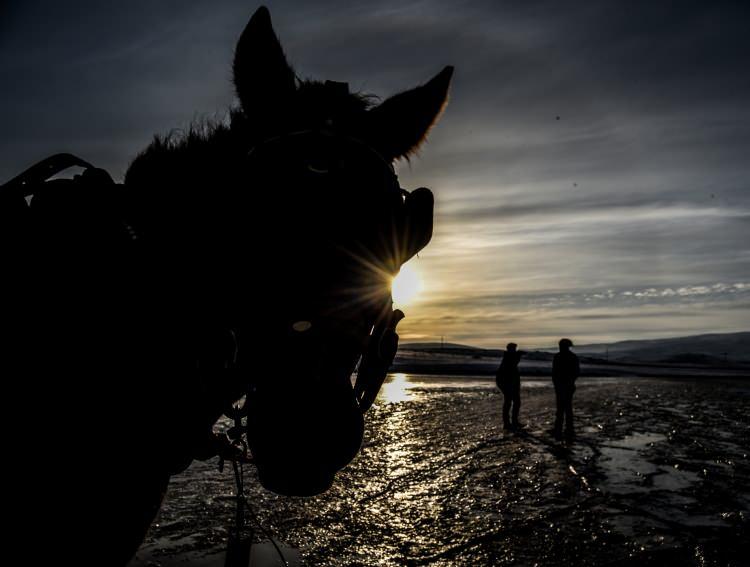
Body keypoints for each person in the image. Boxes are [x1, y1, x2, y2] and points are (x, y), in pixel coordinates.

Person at [552, 338, 579, 439]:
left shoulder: (558, 357)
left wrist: (558, 383)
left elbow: (554, 373)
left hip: (563, 386)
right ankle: (568, 429)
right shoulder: (572, 357)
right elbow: (576, 372)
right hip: (566, 385)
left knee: (562, 408)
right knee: (566, 407)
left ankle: (560, 429)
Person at [495, 342, 526, 430]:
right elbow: (512, 365)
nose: (514, 350)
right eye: (513, 349)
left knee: (514, 402)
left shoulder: (509, 356)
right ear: (510, 349)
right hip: (507, 383)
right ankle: (508, 423)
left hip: (511, 382)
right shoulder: (508, 357)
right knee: (509, 402)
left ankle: (511, 422)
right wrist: (518, 355)